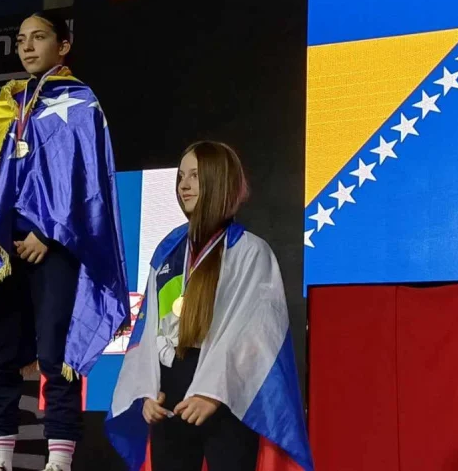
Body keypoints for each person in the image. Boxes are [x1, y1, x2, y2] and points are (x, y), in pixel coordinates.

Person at [0, 10, 129, 471]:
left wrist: (49, 234)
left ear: (63, 45)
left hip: (55, 245)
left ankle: (58, 459)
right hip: (4, 248)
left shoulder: (81, 101)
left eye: (39, 37)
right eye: (21, 40)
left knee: (55, 352)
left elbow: (87, 182)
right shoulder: (11, 102)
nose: (28, 47)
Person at [107, 141, 314, 471]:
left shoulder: (249, 251)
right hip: (169, 392)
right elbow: (149, 327)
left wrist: (211, 393)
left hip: (226, 395)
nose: (184, 185)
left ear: (219, 180)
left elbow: (257, 333)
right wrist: (147, 389)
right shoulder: (168, 250)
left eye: (195, 175)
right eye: (181, 176)